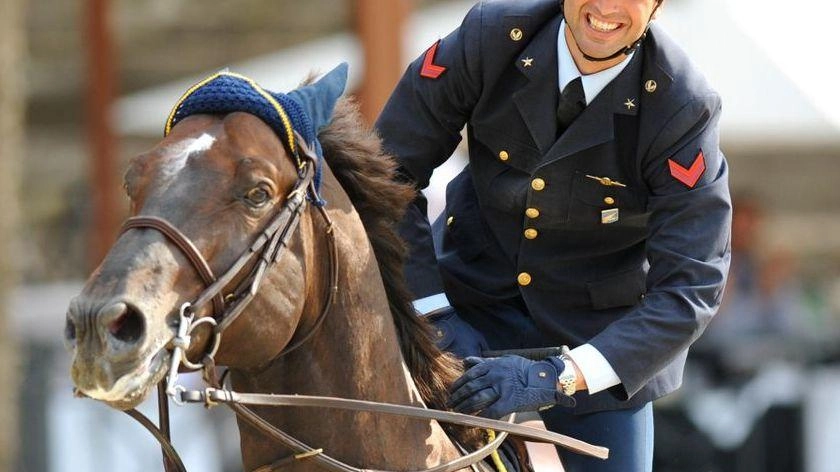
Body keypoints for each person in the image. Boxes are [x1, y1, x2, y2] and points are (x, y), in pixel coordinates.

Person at [375, 1, 732, 471]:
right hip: (465, 298)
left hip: (596, 338)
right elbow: (385, 174)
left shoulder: (682, 105)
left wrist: (558, 376)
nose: (606, 6)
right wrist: (433, 314)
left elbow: (692, 287)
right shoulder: (490, 36)